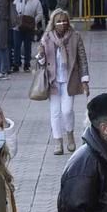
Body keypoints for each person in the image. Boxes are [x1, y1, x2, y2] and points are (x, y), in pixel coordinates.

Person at [37, 9, 90, 156]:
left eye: (64, 20)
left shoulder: (75, 37)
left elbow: (82, 59)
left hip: (69, 80)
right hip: (53, 81)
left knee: (67, 111)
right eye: (58, 21)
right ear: (53, 23)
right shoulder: (47, 38)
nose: (62, 24)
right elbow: (41, 63)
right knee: (55, 113)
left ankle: (70, 135)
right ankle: (58, 142)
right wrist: (40, 55)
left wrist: (85, 80)